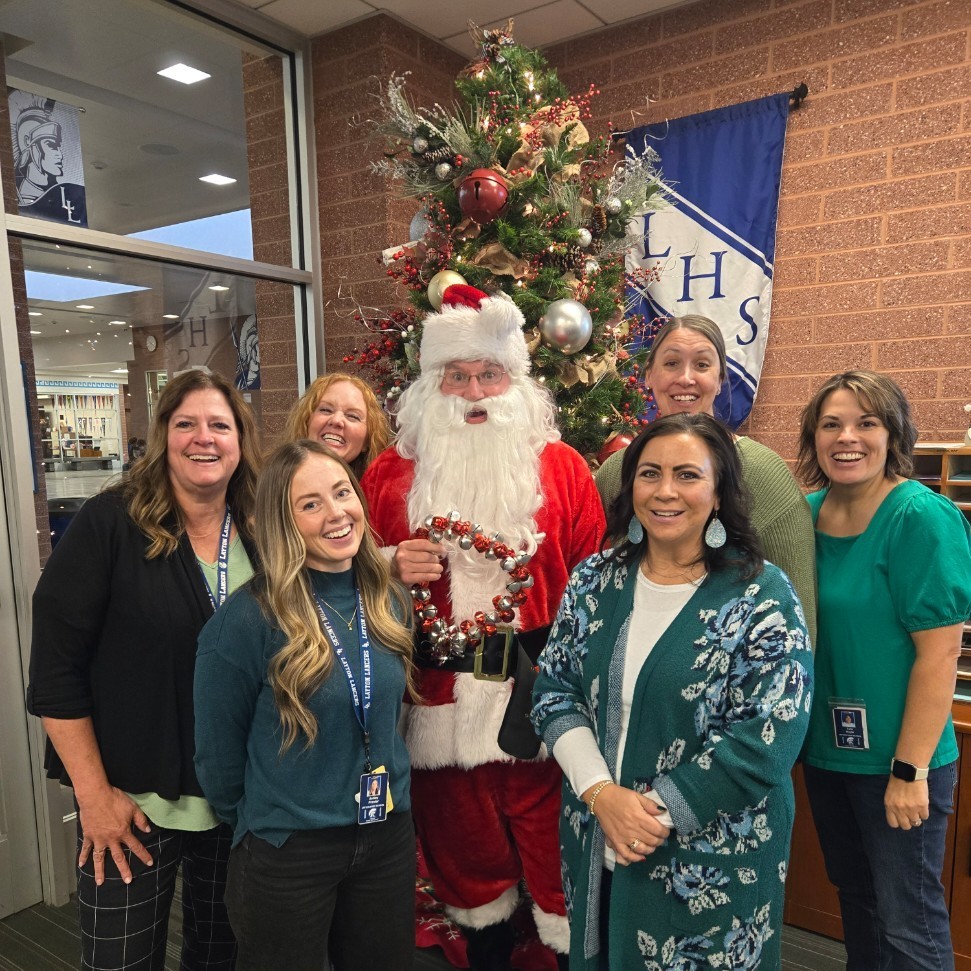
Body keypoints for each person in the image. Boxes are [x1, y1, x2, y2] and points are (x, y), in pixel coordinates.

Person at [362, 284, 605, 970]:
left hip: (541, 699)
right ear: (431, 384)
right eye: (457, 375)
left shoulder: (562, 469)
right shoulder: (389, 473)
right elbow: (341, 576)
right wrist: (383, 564)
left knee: (557, 855)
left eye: (488, 374)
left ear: (515, 380)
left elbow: (592, 582)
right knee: (465, 861)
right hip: (435, 697)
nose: (473, 391)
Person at [532, 413, 813, 970]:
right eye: (649, 473)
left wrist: (651, 816)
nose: (665, 491)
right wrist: (602, 796)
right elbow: (553, 690)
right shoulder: (594, 580)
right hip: (596, 842)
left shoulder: (762, 595)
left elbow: (768, 735)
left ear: (718, 493)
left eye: (687, 475)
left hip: (712, 864)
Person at [27, 368, 261, 971]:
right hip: (130, 804)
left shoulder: (261, 529)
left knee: (221, 954)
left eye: (219, 425)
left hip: (237, 800)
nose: (203, 438)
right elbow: (57, 673)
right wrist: (95, 796)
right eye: (186, 424)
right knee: (120, 963)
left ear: (240, 439)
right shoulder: (111, 524)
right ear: (164, 436)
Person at [193, 440, 417, 971]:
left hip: (385, 834)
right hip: (289, 848)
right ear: (282, 521)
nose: (337, 513)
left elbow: (386, 714)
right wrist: (276, 816)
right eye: (310, 503)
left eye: (342, 492)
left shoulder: (389, 600)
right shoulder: (246, 622)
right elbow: (219, 763)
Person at [796, 370, 971, 971]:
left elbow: (940, 653)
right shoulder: (804, 516)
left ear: (893, 434)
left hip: (898, 763)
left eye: (866, 423)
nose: (848, 437)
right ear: (813, 438)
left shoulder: (920, 517)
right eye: (831, 424)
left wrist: (909, 769)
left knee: (910, 923)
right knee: (860, 906)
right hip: (827, 755)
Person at [595, 315, 817, 644]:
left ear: (719, 377)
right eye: (671, 363)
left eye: (701, 364)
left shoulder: (764, 474)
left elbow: (798, 622)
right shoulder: (616, 473)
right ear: (649, 375)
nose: (685, 378)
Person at [284, 372, 391, 479]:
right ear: (306, 420)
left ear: (367, 441)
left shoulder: (379, 492)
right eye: (326, 410)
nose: (336, 420)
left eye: (353, 416)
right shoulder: (272, 486)